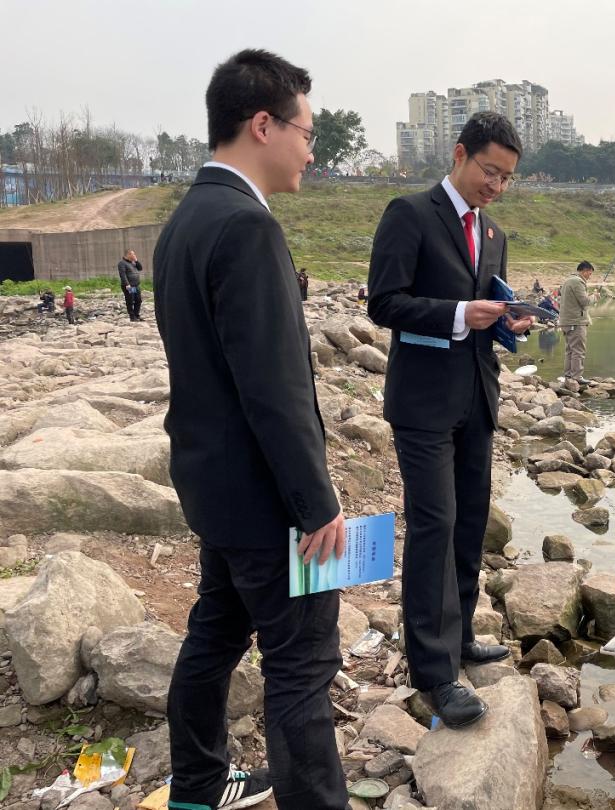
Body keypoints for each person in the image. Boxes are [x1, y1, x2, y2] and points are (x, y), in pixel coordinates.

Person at [153, 49, 348, 810]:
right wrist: (316, 504)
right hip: (267, 501)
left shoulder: (184, 222)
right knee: (301, 662)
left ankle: (197, 788)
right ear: (263, 125)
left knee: (216, 633)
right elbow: (273, 392)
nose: (312, 151)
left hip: (214, 488)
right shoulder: (246, 226)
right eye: (307, 132)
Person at [367, 111, 532, 729]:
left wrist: (510, 321)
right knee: (433, 524)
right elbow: (385, 302)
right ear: (460, 154)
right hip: (423, 403)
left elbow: (490, 308)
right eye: (490, 171)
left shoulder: (493, 233)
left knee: (468, 520)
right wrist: (462, 312)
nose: (497, 185)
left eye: (507, 177)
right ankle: (433, 670)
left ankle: (458, 635)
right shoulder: (409, 213)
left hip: (477, 396)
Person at [559, 260, 594, 382]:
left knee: (570, 350)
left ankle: (569, 375)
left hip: (566, 321)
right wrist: (595, 297)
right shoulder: (578, 282)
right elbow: (585, 302)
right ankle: (577, 376)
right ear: (584, 271)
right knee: (579, 350)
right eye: (590, 273)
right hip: (576, 321)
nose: (590, 276)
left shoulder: (568, 280)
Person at [118, 249, 143, 321]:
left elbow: (140, 268)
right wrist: (127, 284)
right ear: (128, 255)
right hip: (130, 286)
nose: (134, 255)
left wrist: (136, 260)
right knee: (130, 300)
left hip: (136, 285)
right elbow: (122, 275)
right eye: (133, 254)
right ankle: (132, 317)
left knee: (138, 300)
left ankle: (136, 315)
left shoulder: (133, 262)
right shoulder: (122, 263)